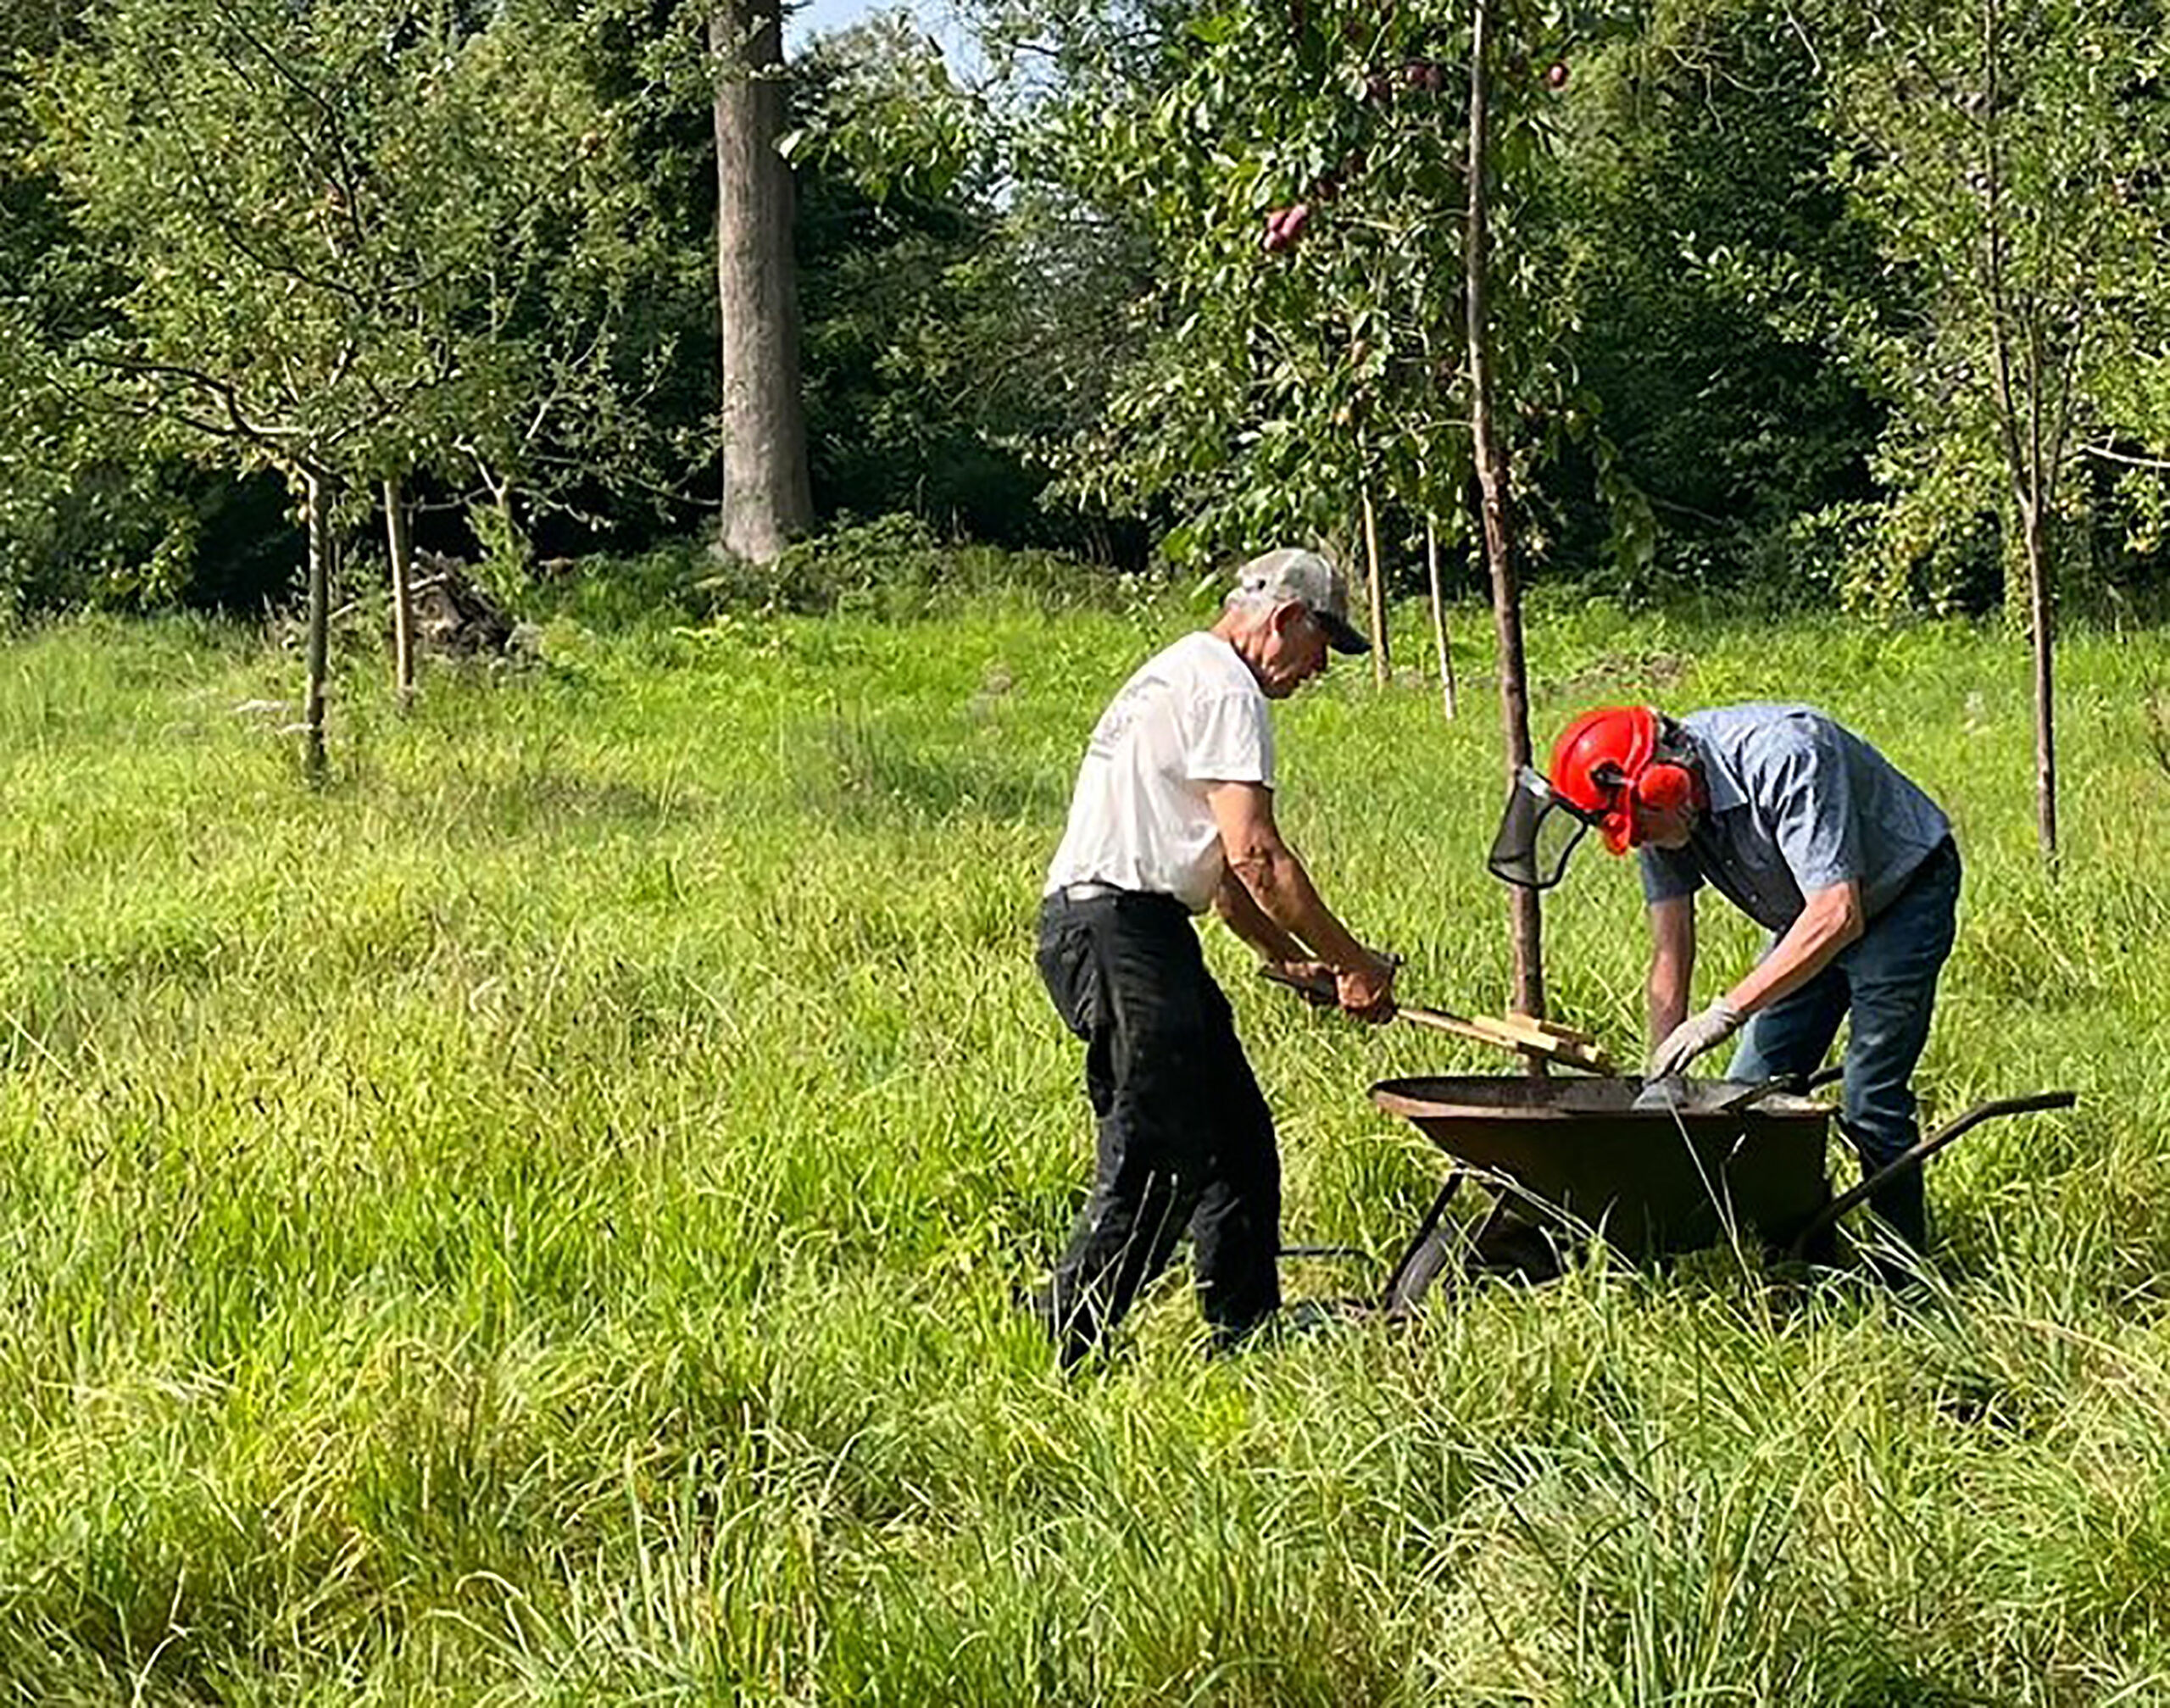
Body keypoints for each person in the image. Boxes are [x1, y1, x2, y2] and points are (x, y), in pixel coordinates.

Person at [1033, 548, 1399, 1366]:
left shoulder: (1179, 670)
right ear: (1286, 619)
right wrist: (1353, 963)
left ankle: (1244, 1327)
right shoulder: (1229, 688)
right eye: (1320, 649)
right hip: (1119, 930)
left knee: (1236, 1136)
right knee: (1158, 1143)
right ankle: (1069, 1338)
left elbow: (1228, 883)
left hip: (1133, 927)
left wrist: (1289, 960)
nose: (1315, 671)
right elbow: (1259, 856)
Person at [1544, 703, 1960, 1253]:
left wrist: (1724, 1012)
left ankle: (1904, 1276)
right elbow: (1671, 952)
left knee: (1870, 1101)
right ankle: (1799, 1252)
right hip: (1804, 919)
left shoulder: (1784, 754)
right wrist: (1661, 1069)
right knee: (1745, 1101)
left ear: (1668, 783)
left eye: (1641, 825)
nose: (1639, 838)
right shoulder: (1653, 815)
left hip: (1900, 898)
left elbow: (1839, 913)